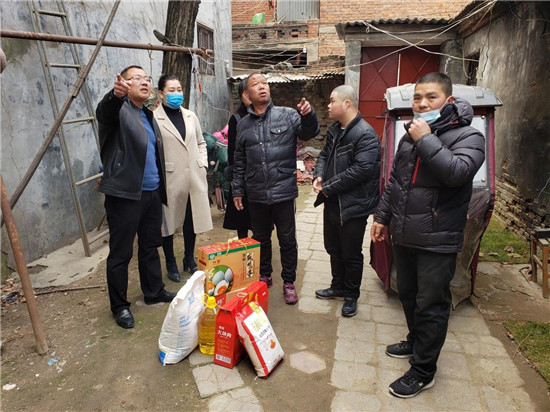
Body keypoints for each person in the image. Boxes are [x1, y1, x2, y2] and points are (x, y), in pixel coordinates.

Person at [370, 72, 485, 398]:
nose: (422, 104)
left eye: (431, 97)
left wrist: (426, 139)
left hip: (438, 238)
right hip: (405, 233)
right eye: (417, 98)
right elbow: (396, 182)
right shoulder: (409, 137)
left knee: (431, 304)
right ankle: (415, 340)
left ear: (448, 100)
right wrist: (382, 216)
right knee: (407, 293)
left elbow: (457, 173)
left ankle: (423, 371)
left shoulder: (469, 136)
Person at [96, 65, 177, 329]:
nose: (144, 82)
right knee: (121, 253)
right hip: (125, 194)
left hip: (152, 193)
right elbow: (104, 112)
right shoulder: (118, 110)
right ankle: (120, 306)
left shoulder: (147, 114)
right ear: (124, 83)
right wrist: (114, 95)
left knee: (150, 246)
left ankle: (153, 291)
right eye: (137, 78)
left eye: (147, 78)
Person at [232, 72, 320, 305]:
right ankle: (265, 274)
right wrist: (238, 189)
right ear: (247, 94)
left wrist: (309, 115)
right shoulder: (243, 125)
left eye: (265, 83)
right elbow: (239, 160)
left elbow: (310, 132)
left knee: (287, 239)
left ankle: (289, 281)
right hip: (256, 193)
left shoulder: (287, 115)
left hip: (283, 191)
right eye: (256, 84)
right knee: (260, 238)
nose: (262, 87)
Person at [313, 85, 381, 317]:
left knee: (351, 253)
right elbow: (324, 155)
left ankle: (351, 295)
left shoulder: (365, 134)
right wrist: (319, 176)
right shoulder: (335, 129)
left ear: (347, 103)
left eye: (332, 101)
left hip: (353, 205)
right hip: (333, 200)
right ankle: (338, 286)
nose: (328, 105)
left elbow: (361, 170)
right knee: (333, 247)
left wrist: (328, 187)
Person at [154, 74, 212, 282]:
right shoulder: (154, 118)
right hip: (170, 177)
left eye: (179, 90)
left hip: (194, 175)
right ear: (161, 94)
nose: (176, 94)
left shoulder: (190, 116)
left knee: (191, 218)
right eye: (171, 90)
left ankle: (189, 257)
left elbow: (201, 142)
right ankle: (170, 262)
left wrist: (202, 163)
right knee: (168, 223)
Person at [223, 80, 252, 239]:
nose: (250, 96)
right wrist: (234, 177)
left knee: (261, 220)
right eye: (246, 94)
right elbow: (232, 150)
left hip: (260, 177)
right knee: (241, 216)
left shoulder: (266, 117)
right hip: (242, 174)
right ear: (241, 96)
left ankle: (261, 249)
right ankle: (243, 246)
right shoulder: (236, 119)